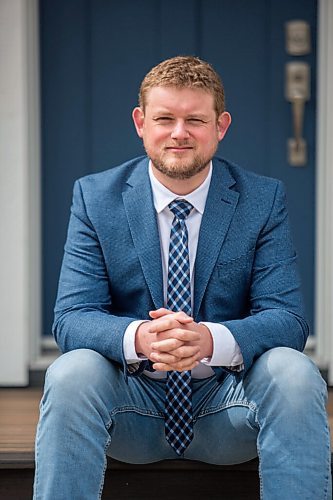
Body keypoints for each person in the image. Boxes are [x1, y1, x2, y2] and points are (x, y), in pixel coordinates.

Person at [33, 56, 331, 499]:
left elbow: (287, 319)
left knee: (295, 371)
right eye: (165, 118)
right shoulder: (96, 197)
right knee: (71, 371)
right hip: (128, 410)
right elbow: (72, 317)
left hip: (227, 408)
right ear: (140, 122)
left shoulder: (262, 199)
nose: (179, 133)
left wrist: (209, 340)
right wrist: (142, 338)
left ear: (221, 125)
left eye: (195, 119)